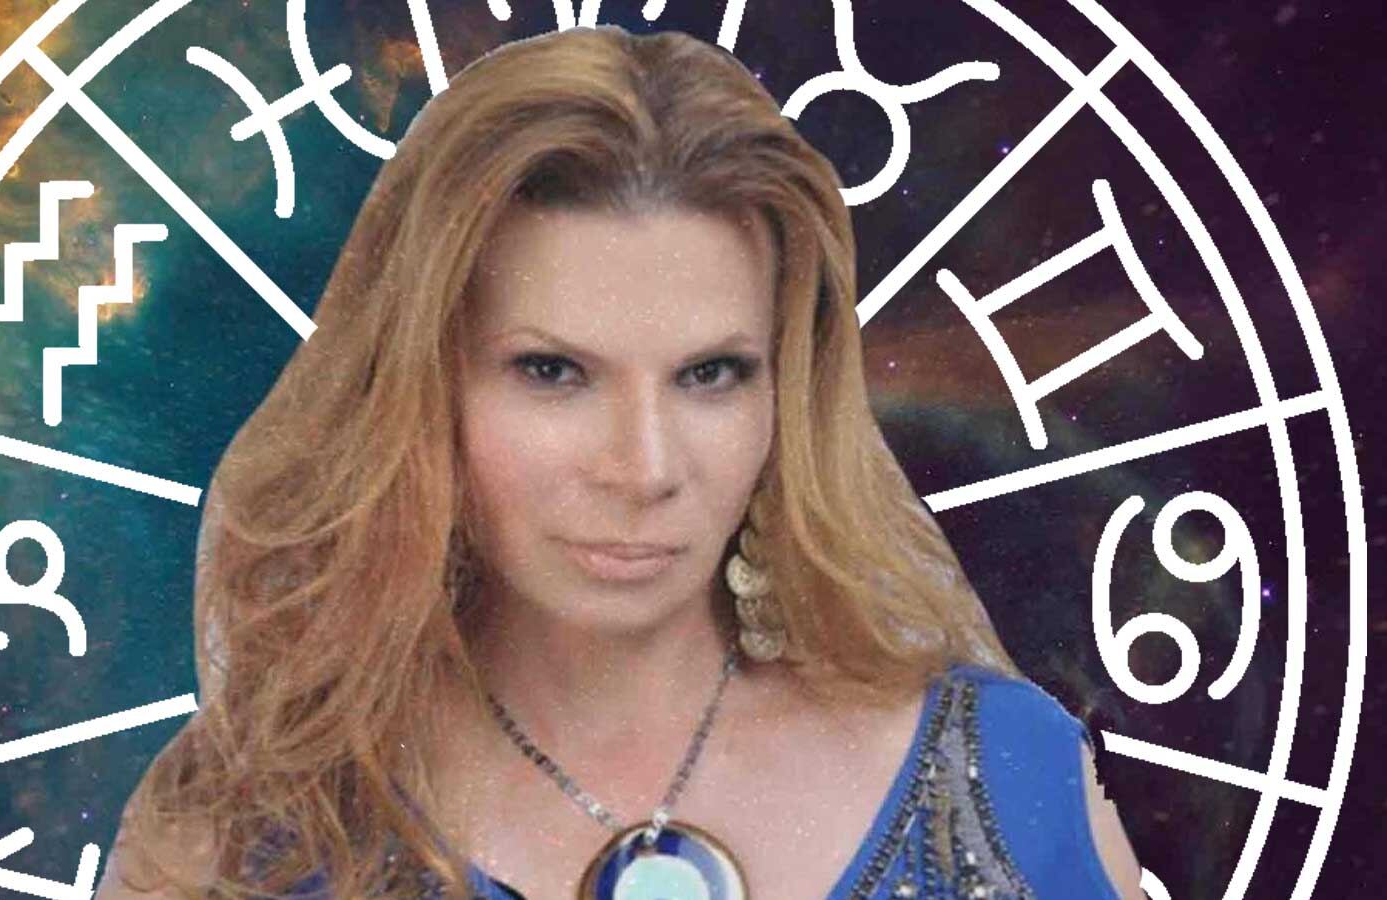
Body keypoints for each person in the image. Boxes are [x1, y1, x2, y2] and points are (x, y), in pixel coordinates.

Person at [97, 24, 1144, 900]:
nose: (643, 469)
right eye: (553, 371)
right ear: (419, 386)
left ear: (790, 390)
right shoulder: (237, 834)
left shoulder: (1013, 778)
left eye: (711, 375)